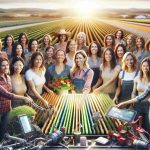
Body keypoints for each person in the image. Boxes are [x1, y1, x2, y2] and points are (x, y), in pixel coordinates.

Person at [0, 56, 33, 141]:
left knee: (3, 131)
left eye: (7, 65)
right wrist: (23, 98)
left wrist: (10, 107)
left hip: (7, 109)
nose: (6, 67)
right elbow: (7, 94)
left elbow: (11, 92)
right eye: (3, 65)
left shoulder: (7, 77)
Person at [131, 57, 150, 131]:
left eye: (147, 66)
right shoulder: (137, 78)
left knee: (147, 126)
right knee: (137, 126)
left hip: (147, 105)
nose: (145, 67)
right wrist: (132, 100)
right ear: (141, 67)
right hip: (137, 104)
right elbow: (133, 92)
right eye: (143, 66)